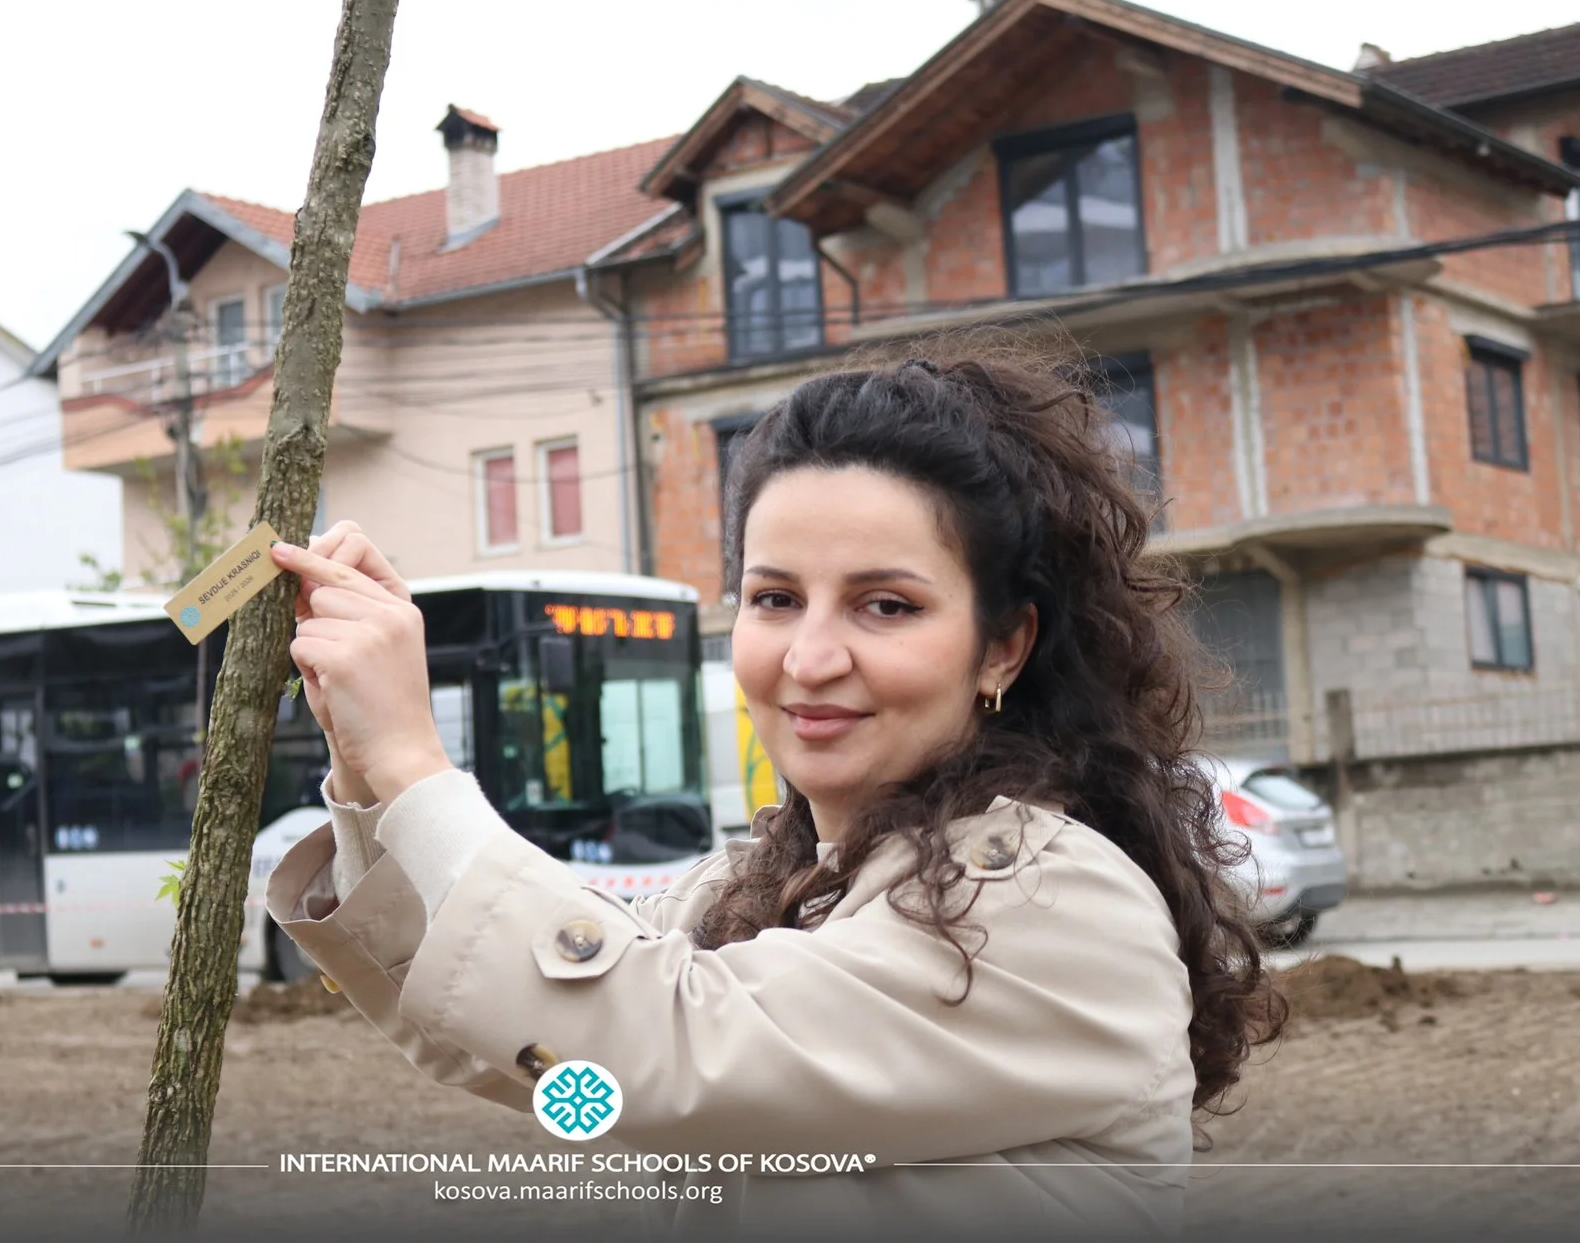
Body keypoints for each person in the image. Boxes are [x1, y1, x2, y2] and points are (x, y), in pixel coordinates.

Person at [264, 342, 1284, 1239]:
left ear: (1002, 646)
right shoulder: (759, 892)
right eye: (775, 597)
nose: (809, 657)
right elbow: (545, 1058)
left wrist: (416, 762)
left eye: (885, 605)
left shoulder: (1057, 900)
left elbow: (668, 1053)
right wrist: (364, 760)